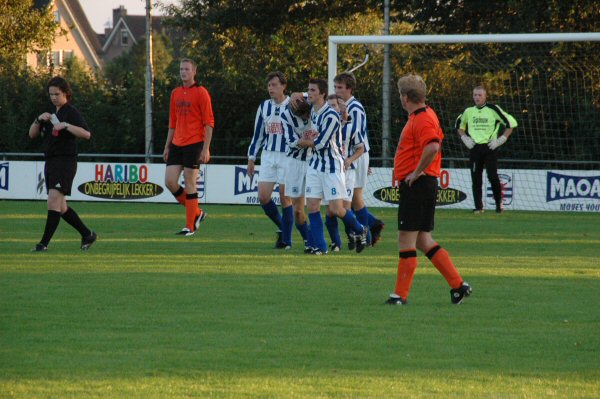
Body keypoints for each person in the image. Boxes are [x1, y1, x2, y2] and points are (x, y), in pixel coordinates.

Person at [386, 74, 471, 305]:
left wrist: (415, 172)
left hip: (418, 186)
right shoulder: (423, 115)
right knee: (424, 240)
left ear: (405, 97)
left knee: (406, 239)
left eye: (400, 95)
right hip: (422, 186)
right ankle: (458, 285)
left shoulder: (422, 118)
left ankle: (399, 296)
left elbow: (433, 147)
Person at [297, 78, 367, 255]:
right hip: (315, 165)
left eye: (313, 90)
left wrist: (298, 142)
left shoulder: (331, 116)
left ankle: (360, 229)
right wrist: (296, 94)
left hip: (332, 167)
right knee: (312, 206)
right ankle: (320, 247)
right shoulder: (314, 109)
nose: (309, 93)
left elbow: (320, 144)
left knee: (336, 210)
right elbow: (300, 97)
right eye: (308, 90)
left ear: (321, 94)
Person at [28, 76, 97, 252]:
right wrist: (38, 120)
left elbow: (86, 134)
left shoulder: (70, 112)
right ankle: (87, 234)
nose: (53, 97)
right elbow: (32, 135)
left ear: (65, 93)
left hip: (65, 161)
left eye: (56, 94)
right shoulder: (50, 113)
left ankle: (43, 244)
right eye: (51, 94)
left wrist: (65, 125)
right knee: (61, 207)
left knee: (53, 202)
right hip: (51, 161)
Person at [163, 58, 214, 236]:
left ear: (194, 72)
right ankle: (198, 213)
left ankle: (189, 227)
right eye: (181, 69)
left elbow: (209, 123)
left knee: (190, 182)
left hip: (194, 143)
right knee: (169, 182)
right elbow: (172, 122)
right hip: (177, 143)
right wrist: (167, 146)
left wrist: (206, 148)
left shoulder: (201, 93)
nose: (183, 72)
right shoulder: (175, 93)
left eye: (187, 69)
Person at [333, 72, 385, 246]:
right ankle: (371, 226)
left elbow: (354, 133)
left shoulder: (354, 107)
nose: (337, 90)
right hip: (351, 154)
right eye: (335, 87)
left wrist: (357, 160)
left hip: (357, 154)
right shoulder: (342, 106)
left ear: (349, 89)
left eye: (340, 87)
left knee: (355, 198)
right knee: (351, 200)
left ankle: (367, 235)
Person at [247, 71, 294, 249]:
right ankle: (283, 228)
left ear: (284, 86)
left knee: (285, 198)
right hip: (268, 155)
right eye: (269, 85)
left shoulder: (294, 104)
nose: (271, 88)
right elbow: (257, 134)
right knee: (263, 196)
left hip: (288, 156)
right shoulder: (264, 106)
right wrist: (251, 158)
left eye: (274, 85)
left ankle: (286, 241)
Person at [457, 86, 518, 213]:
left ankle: (499, 204)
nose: (477, 97)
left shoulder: (493, 109)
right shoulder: (468, 111)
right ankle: (478, 207)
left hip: (490, 147)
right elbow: (459, 125)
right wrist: (465, 138)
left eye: (479, 95)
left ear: (485, 96)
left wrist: (501, 140)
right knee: (476, 178)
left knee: (492, 176)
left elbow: (511, 124)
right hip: (474, 148)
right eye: (475, 95)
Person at [324, 94, 365, 252]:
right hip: (330, 171)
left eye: (335, 105)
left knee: (344, 211)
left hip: (347, 173)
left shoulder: (351, 127)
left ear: (343, 107)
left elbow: (361, 148)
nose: (332, 108)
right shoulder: (326, 124)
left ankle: (355, 234)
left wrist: (350, 159)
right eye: (330, 105)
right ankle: (336, 243)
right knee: (331, 211)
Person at [280, 97, 314, 252]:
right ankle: (308, 240)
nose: (307, 119)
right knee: (298, 210)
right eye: (303, 118)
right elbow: (293, 142)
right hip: (295, 163)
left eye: (307, 115)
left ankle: (334, 242)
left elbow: (315, 92)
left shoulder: (312, 103)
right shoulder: (285, 116)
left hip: (315, 162)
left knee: (328, 207)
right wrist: (319, 141)